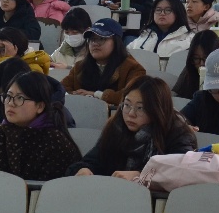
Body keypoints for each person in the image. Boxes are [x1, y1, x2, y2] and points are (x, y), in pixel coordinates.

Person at [68, 76, 196, 177]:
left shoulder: (177, 133)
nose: (131, 114)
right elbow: (91, 160)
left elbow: (181, 173)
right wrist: (84, 169)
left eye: (140, 108)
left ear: (157, 110)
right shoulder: (116, 128)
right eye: (127, 105)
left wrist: (140, 176)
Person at [0, 70, 81, 181]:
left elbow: (52, 188)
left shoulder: (55, 142)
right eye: (8, 96)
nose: (10, 103)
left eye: (20, 98)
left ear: (40, 106)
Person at [62, 18, 146, 106]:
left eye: (101, 39)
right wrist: (76, 96)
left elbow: (132, 97)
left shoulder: (133, 68)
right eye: (92, 39)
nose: (95, 43)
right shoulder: (79, 67)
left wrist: (97, 95)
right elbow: (61, 89)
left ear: (116, 42)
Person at [129, 0, 194, 59]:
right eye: (158, 10)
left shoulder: (190, 38)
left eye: (168, 10)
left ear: (178, 13)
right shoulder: (144, 35)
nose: (162, 13)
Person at [171, 30, 219, 99]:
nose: (201, 64)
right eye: (196, 58)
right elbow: (178, 97)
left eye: (206, 58)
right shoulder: (188, 72)